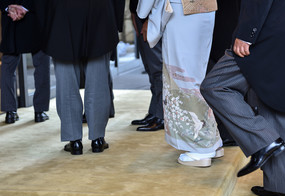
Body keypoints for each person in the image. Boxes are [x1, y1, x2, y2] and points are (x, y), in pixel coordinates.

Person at [201, 0, 285, 196]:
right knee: (273, 98)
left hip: (267, 27)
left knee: (214, 86)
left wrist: (247, 33)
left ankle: (264, 140)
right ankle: (284, 186)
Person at [138, 0, 223, 167]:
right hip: (206, 8)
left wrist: (143, 11)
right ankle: (211, 140)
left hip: (181, 10)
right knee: (196, 75)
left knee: (182, 76)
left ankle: (200, 147)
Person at [41, 0, 125, 155]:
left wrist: (43, 26)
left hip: (62, 13)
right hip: (99, 12)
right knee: (98, 79)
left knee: (66, 80)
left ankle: (74, 141)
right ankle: (98, 139)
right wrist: (116, 23)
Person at [0, 2, 50, 124]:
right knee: (41, 64)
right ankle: (40, 111)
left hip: (10, 19)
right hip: (33, 18)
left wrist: (8, 7)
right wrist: (25, 7)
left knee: (7, 66)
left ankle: (10, 112)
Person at [206, 0, 241, 147]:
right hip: (219, 14)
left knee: (219, 77)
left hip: (225, 16)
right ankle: (225, 131)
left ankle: (228, 132)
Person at [129, 0, 164, 131]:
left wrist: (150, 18)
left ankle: (161, 115)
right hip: (141, 11)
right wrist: (133, 10)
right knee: (150, 67)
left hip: (150, 13)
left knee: (157, 67)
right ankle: (154, 111)